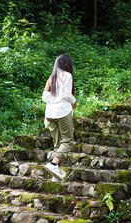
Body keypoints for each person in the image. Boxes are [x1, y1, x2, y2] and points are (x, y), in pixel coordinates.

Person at [42, 53, 76, 182]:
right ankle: (53, 164)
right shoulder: (67, 75)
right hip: (62, 111)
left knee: (58, 144)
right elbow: (67, 94)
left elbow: (45, 97)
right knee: (67, 141)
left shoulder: (52, 77)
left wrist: (54, 98)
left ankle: (55, 176)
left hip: (50, 113)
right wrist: (74, 100)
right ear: (66, 64)